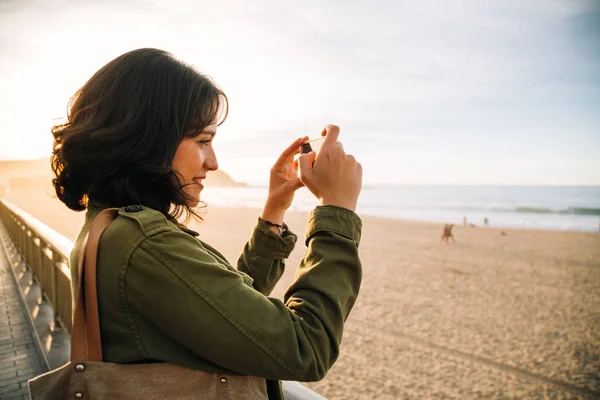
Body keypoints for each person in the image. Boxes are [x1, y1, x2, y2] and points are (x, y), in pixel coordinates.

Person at [50, 48, 363, 399]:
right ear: (147, 140)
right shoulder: (143, 243)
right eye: (203, 141)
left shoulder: (112, 225)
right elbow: (306, 347)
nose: (212, 162)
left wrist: (276, 207)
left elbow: (228, 315)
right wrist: (338, 209)